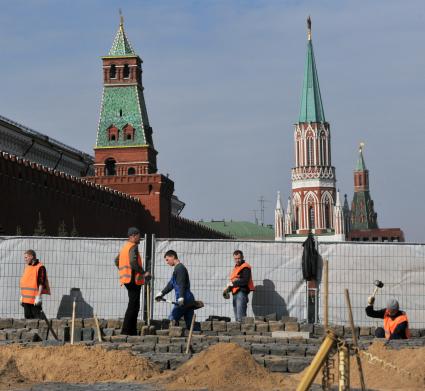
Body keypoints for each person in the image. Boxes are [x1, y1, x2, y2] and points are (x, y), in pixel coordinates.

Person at [115, 227, 150, 335]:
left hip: (127, 279)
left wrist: (123, 271)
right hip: (133, 280)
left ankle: (132, 331)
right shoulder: (133, 247)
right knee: (133, 305)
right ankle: (126, 331)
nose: (140, 237)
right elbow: (133, 262)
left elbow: (117, 261)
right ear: (133, 236)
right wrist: (144, 273)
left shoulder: (125, 247)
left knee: (134, 305)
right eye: (139, 235)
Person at [154, 250, 195, 329]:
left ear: (172, 257)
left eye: (167, 259)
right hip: (185, 298)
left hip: (185, 298)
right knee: (190, 323)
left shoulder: (180, 268)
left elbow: (181, 283)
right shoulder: (177, 269)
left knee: (172, 318)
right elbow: (171, 284)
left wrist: (181, 297)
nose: (167, 262)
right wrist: (162, 293)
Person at [224, 250, 255, 322]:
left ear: (242, 257)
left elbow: (245, 281)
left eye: (239, 258)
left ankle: (242, 332)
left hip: (241, 293)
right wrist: (227, 290)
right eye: (235, 258)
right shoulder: (236, 267)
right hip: (235, 293)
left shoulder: (245, 267)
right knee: (237, 317)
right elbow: (235, 280)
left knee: (240, 318)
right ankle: (239, 332)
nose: (237, 260)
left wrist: (233, 283)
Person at [20, 249, 50, 319]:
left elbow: (41, 282)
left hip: (34, 300)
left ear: (31, 256)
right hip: (26, 300)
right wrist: (22, 296)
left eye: (26, 257)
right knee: (27, 318)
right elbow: (25, 282)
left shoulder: (40, 267)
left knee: (36, 319)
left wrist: (38, 296)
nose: (25, 259)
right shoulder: (27, 267)